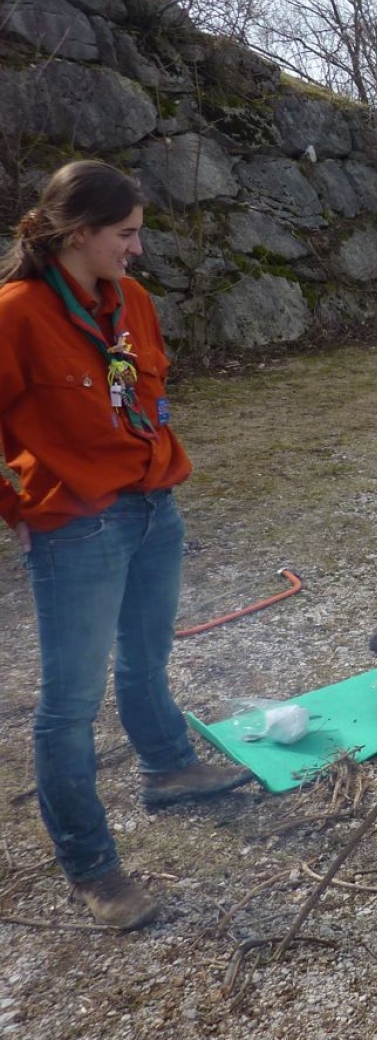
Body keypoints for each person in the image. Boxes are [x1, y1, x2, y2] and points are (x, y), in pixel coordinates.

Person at [0, 161, 253, 931]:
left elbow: (146, 392)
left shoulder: (132, 302)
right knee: (68, 706)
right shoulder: (15, 313)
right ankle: (92, 865)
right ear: (79, 234)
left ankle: (169, 764)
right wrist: (20, 500)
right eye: (126, 234)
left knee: (146, 657)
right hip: (76, 528)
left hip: (153, 510)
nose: (137, 249)